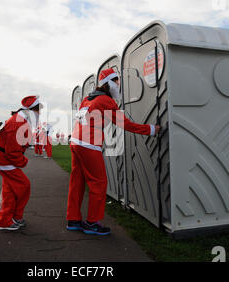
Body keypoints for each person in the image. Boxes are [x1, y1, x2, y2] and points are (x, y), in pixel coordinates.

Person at [66, 68, 160, 236]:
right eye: (117, 81)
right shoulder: (106, 101)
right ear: (110, 83)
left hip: (75, 142)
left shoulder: (88, 98)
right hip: (89, 145)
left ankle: (73, 219)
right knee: (99, 183)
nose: (119, 84)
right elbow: (126, 124)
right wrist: (151, 129)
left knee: (77, 182)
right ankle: (92, 223)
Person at [0, 95, 41, 231]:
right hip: (4, 159)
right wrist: (23, 161)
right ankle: (14, 217)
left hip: (4, 158)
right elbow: (12, 151)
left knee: (10, 190)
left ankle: (6, 219)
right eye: (38, 111)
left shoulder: (20, 120)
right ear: (31, 110)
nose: (39, 114)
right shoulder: (19, 122)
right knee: (24, 186)